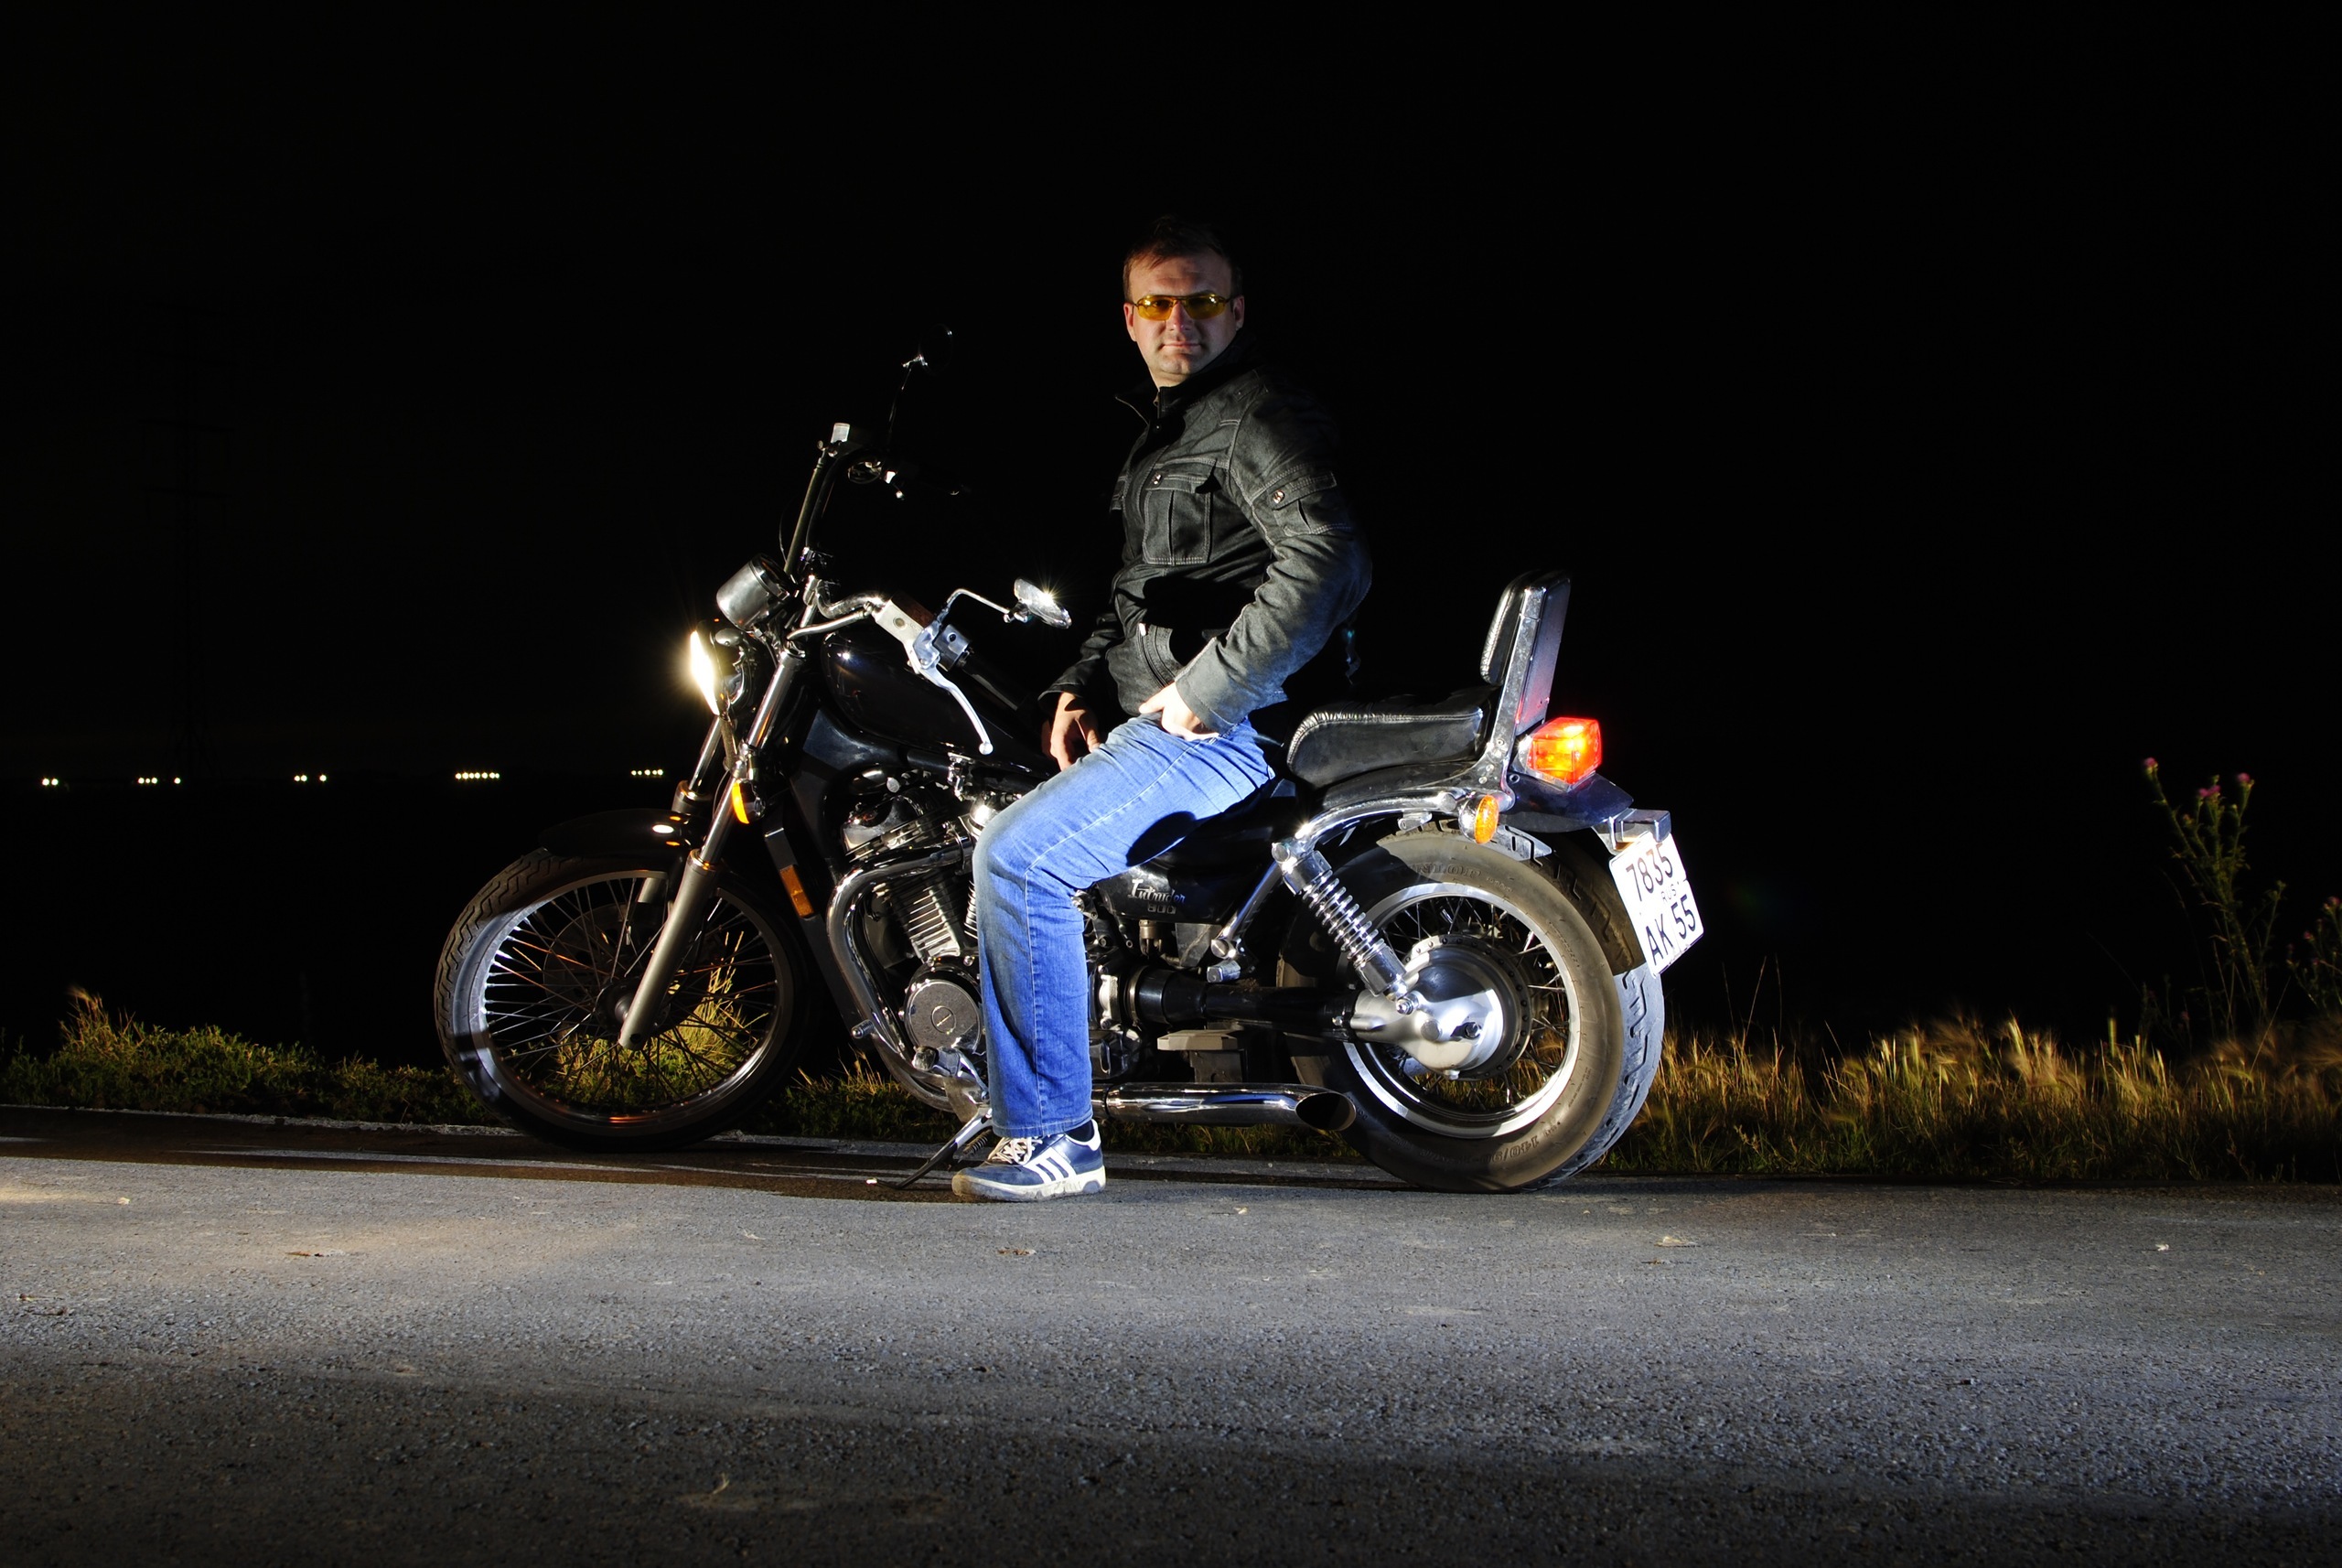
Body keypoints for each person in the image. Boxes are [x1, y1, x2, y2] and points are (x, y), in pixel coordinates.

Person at [953, 218, 1372, 1201]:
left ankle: (1052, 1136)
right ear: (1130, 318)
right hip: (1175, 712)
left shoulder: (1255, 413)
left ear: (1238, 310)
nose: (1179, 320)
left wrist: (1209, 690)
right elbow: (1145, 588)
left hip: (1231, 727)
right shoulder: (1175, 426)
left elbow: (1331, 561)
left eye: (1202, 301)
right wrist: (1081, 683)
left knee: (1017, 859)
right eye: (1158, 303)